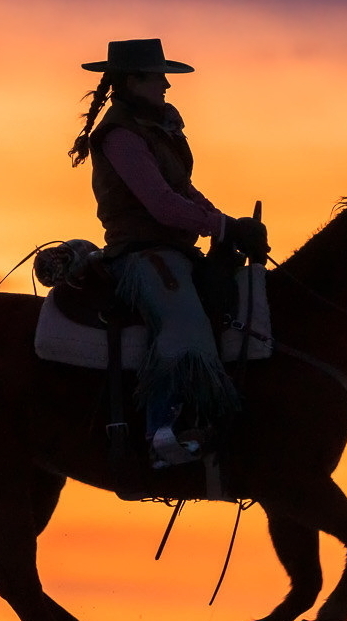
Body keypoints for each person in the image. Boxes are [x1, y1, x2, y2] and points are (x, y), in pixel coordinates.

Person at [69, 38, 269, 467]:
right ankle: (165, 432)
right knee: (183, 323)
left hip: (175, 250)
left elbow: (183, 191)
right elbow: (159, 202)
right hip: (140, 256)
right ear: (132, 80)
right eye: (157, 76)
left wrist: (226, 224)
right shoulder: (121, 135)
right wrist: (222, 226)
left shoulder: (158, 128)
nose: (165, 85)